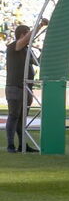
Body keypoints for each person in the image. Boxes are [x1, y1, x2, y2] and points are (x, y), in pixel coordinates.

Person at [5, 19, 45, 153]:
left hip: (26, 88)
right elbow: (28, 39)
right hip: (15, 87)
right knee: (14, 115)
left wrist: (44, 51)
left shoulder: (27, 50)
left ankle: (22, 145)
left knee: (22, 119)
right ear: (22, 35)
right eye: (28, 34)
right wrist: (39, 26)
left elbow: (37, 62)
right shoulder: (13, 46)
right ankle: (10, 145)